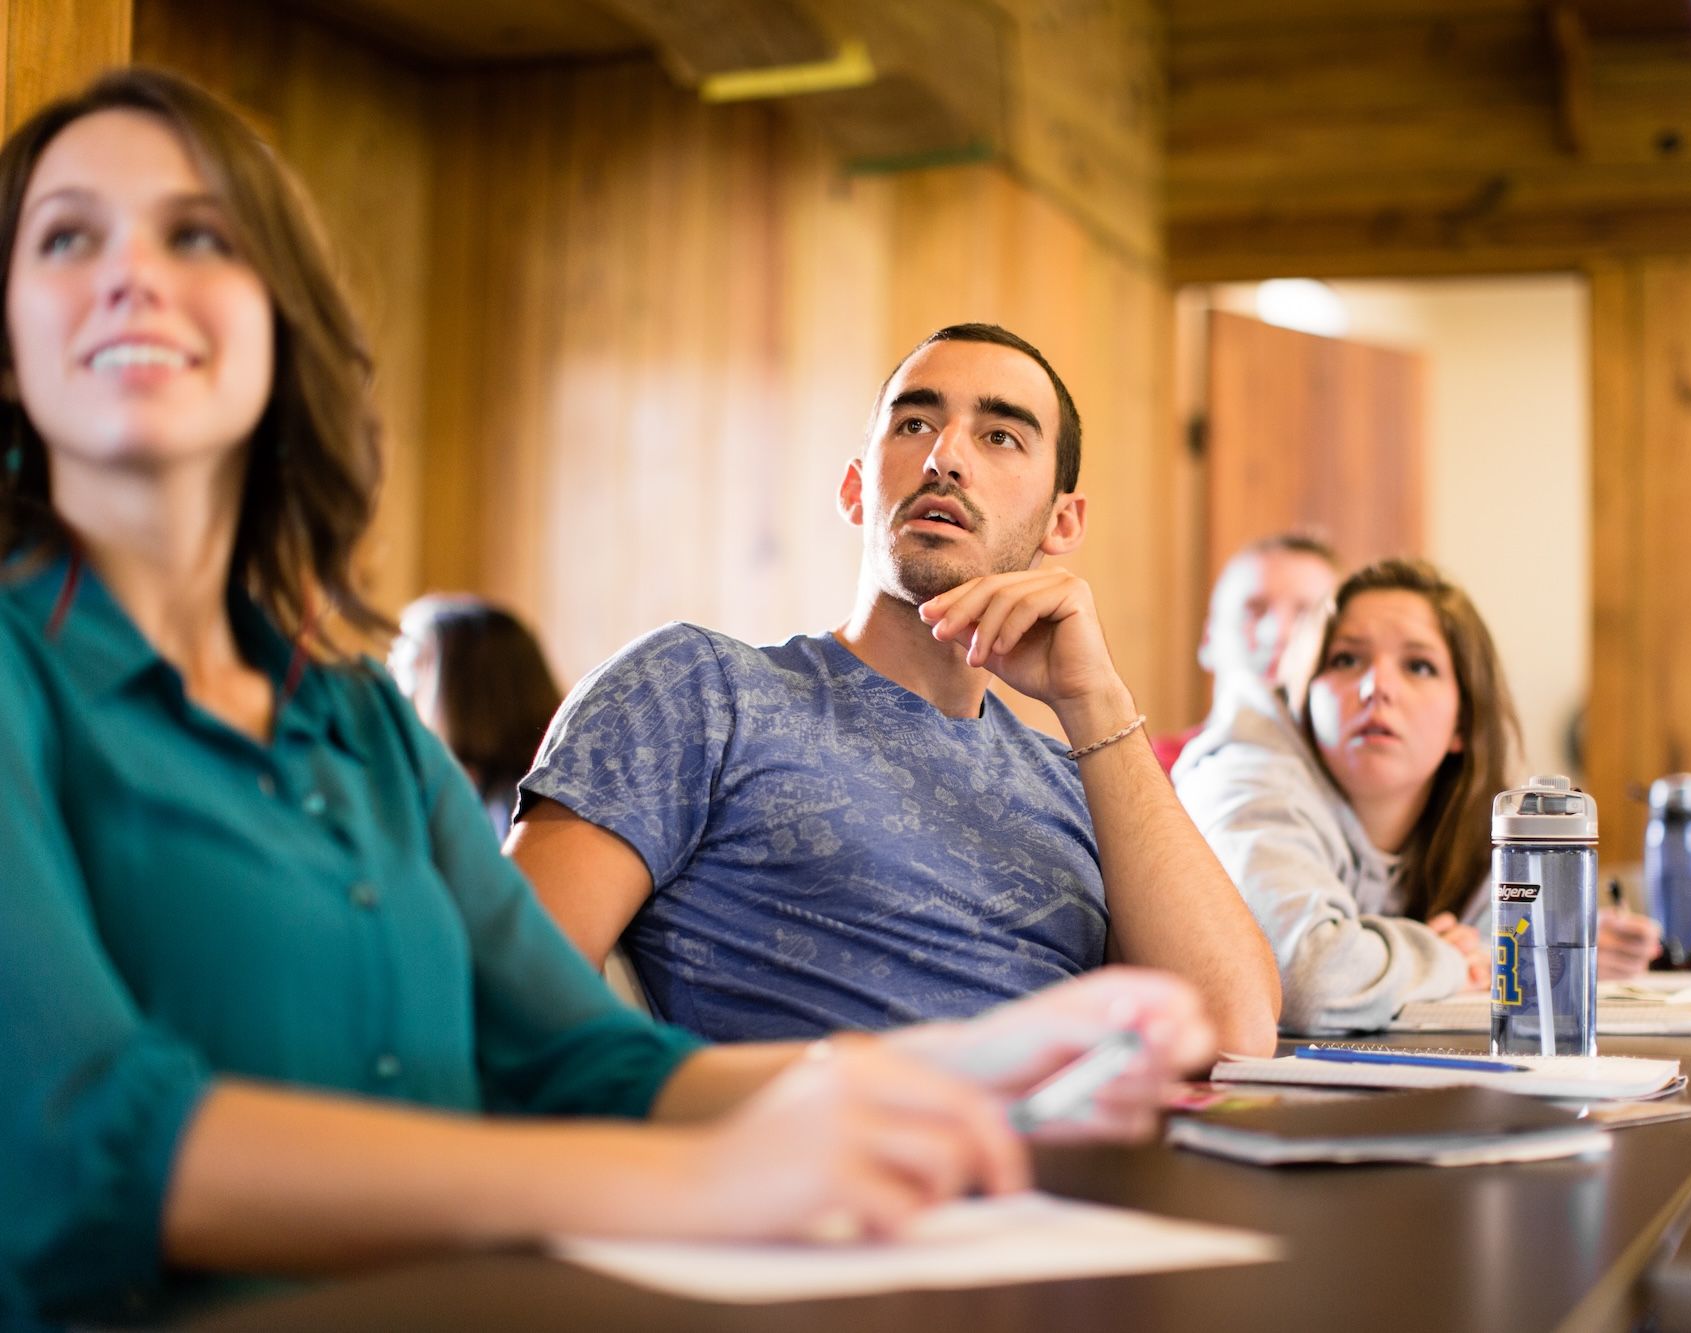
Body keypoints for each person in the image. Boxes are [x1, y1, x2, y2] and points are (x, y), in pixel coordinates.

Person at [0, 69, 1215, 1325]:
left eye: (198, 235)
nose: (132, 273)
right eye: (68, 236)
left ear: (278, 323)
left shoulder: (358, 723)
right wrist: (685, 1181)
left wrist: (950, 1072)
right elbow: (79, 1139)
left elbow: (572, 1050)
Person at [508, 323, 1281, 1055]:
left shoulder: (1081, 783)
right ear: (855, 488)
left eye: (1001, 435)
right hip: (820, 1178)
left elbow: (1234, 1028)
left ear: (1063, 522)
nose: (946, 456)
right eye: (914, 425)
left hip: (1078, 1179)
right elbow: (507, 999)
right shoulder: (701, 688)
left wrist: (1096, 701)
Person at [1174, 559, 1660, 1034]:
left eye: (1419, 666)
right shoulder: (1243, 774)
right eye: (1345, 659)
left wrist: (1557, 944)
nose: (1376, 687)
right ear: (1304, 694)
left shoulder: (1482, 805)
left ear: (1463, 724)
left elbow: (1501, 949)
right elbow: (1308, 980)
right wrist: (1444, 955)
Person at [1152, 531, 1341, 773]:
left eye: (1305, 615)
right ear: (1208, 638)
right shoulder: (1145, 774)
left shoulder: (1362, 788)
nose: (1276, 633)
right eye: (1254, 610)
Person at [390, 593, 562, 840]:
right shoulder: (436, 788)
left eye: (414, 667)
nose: (400, 689)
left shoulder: (520, 808)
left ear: (468, 690)